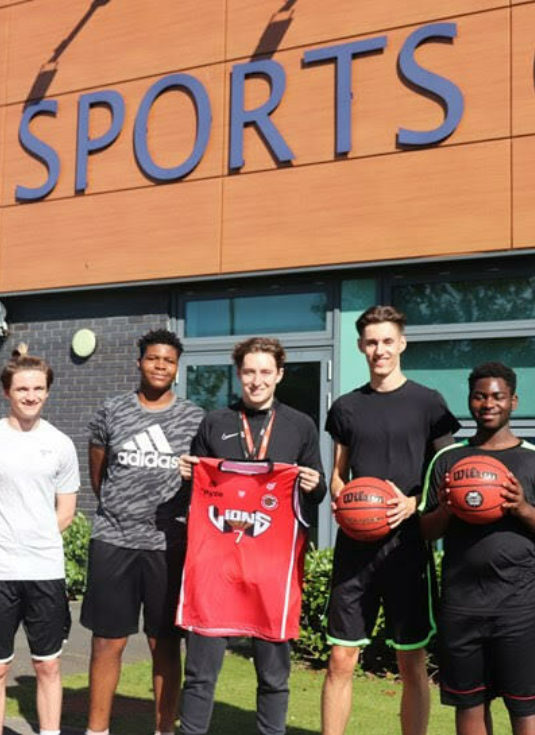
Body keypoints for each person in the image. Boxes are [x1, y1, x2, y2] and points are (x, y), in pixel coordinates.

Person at [321, 305, 460, 735]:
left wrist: (415, 502)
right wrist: (342, 499)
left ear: (401, 343)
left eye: (387, 341)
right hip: (354, 550)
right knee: (341, 658)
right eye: (371, 342)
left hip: (407, 549)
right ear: (361, 346)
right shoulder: (346, 407)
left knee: (411, 660)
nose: (379, 350)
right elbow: (339, 475)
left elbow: (448, 473)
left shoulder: (428, 402)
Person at [178, 336, 326, 735]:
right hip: (215, 567)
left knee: (274, 675)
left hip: (271, 569)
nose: (256, 380)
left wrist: (313, 484)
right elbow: (192, 492)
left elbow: (320, 490)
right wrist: (187, 475)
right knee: (199, 673)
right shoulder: (215, 422)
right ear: (238, 373)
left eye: (264, 372)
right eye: (248, 372)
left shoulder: (300, 425)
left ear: (279, 374)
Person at [81, 329, 204, 735]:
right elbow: (98, 473)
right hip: (113, 539)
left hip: (168, 545)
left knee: (164, 643)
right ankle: (97, 730)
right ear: (140, 362)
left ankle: (164, 729)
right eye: (153, 359)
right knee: (107, 642)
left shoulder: (193, 417)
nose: (160, 366)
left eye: (168, 361)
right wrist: (121, 508)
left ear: (176, 367)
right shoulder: (111, 411)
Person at [420, 362, 535, 735]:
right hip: (461, 606)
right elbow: (424, 530)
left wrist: (522, 508)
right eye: (480, 396)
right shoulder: (448, 460)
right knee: (469, 705)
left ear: (513, 401)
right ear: (469, 401)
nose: (488, 403)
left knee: (525, 711)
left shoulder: (532, 460)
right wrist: (446, 509)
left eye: (498, 396)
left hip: (520, 607)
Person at [0, 348, 80, 735]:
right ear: (7, 392)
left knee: (47, 665)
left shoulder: (61, 444)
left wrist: (34, 539)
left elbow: (65, 511)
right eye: (22, 389)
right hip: (0, 571)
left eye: (38, 388)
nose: (30, 395)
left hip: (44, 570)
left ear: (47, 392)